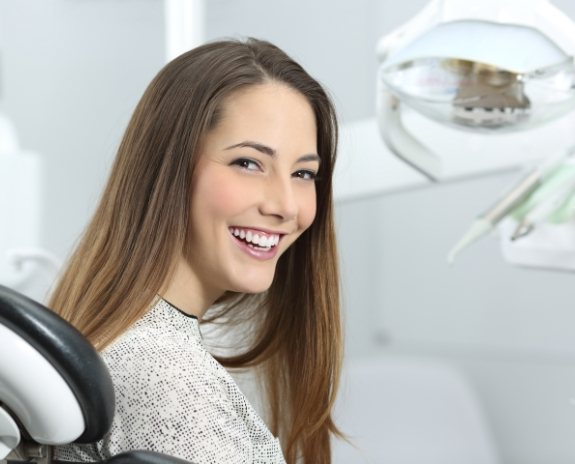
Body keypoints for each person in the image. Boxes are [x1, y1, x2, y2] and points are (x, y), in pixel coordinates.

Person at [51, 38, 342, 464]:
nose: (285, 206)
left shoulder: (130, 345)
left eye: (303, 173)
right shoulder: (166, 376)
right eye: (248, 163)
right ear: (168, 169)